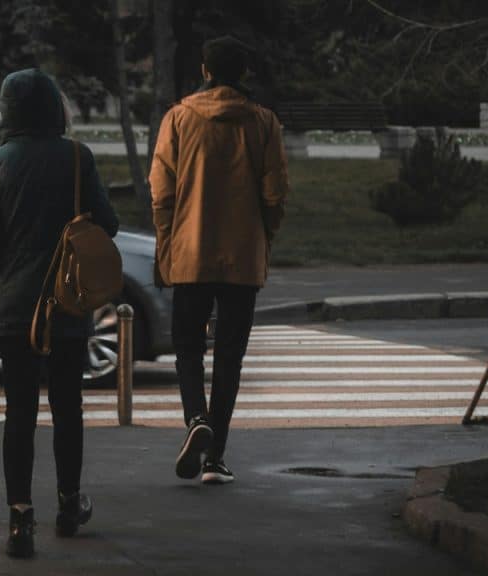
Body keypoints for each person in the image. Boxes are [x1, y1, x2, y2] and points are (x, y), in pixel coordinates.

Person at [0, 68, 119, 558]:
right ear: (55, 107)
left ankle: (19, 520)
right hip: (67, 305)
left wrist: (2, 286)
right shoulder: (77, 157)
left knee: (19, 413)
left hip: (15, 311)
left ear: (7, 110)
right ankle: (70, 506)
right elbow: (108, 225)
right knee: (68, 408)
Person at [149, 37, 289, 485]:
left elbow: (162, 193)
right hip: (242, 259)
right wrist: (262, 236)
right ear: (243, 74)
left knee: (188, 348)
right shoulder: (264, 123)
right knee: (230, 356)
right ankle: (215, 459)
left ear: (205, 71)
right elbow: (275, 194)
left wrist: (167, 247)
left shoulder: (179, 119)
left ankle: (196, 420)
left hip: (190, 254)